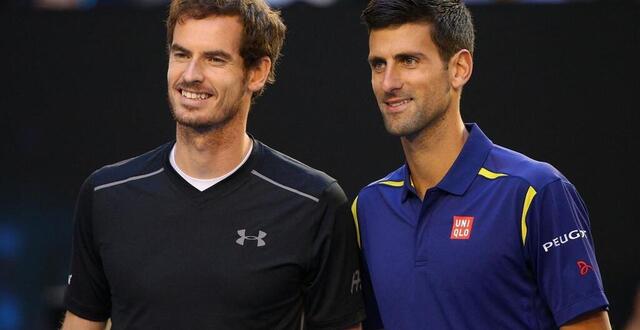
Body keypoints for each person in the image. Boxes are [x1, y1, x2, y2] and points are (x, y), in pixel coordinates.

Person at [60, 0, 365, 328]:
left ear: (257, 72)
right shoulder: (106, 195)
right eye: (181, 55)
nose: (191, 75)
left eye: (214, 59)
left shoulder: (314, 203)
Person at [352, 0, 611, 329]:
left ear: (459, 68)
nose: (388, 82)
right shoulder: (368, 208)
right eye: (378, 64)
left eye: (408, 60)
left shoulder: (534, 191)